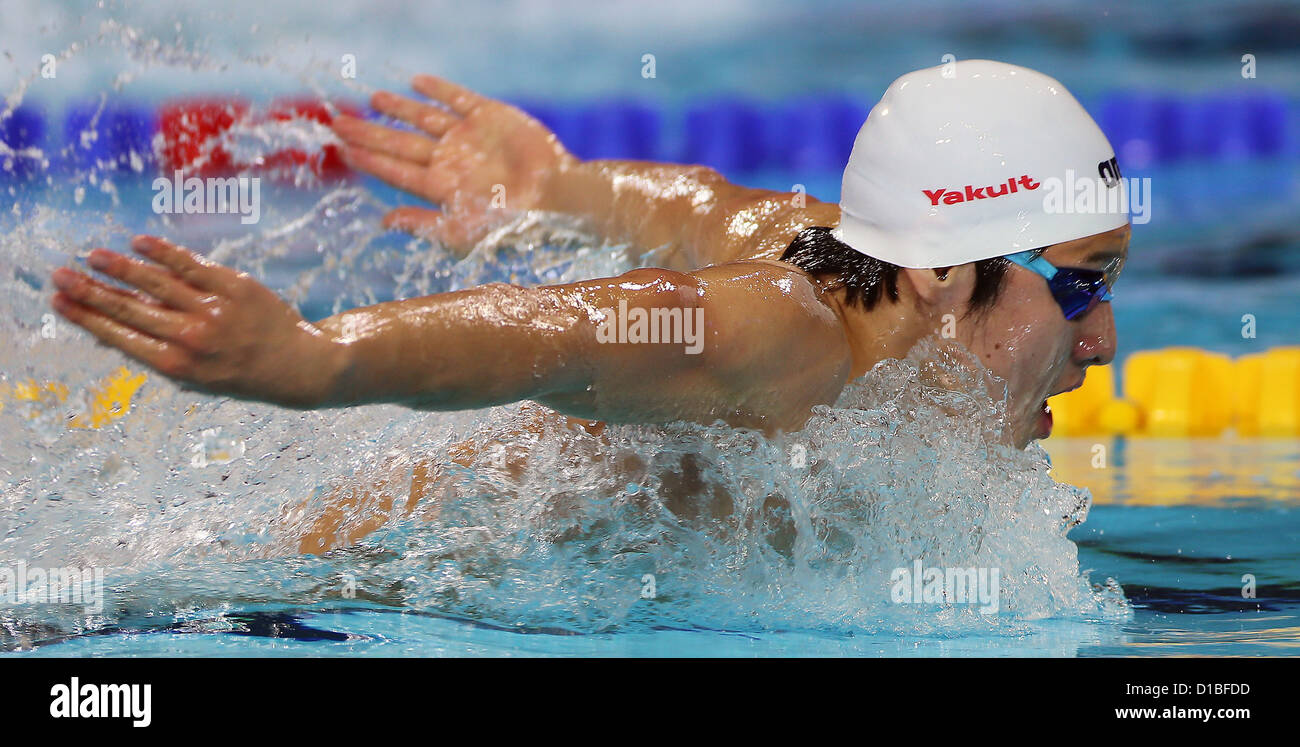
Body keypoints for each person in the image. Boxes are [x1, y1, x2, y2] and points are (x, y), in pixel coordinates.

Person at [48, 60, 1129, 550]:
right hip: (316, 583)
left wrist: (558, 190)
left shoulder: (827, 249)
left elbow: (710, 205)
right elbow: (562, 330)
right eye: (1079, 285)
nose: (1103, 343)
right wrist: (314, 360)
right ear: (943, 270)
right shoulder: (785, 339)